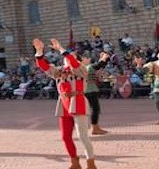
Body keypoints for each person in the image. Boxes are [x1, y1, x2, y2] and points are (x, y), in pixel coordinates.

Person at [35, 37, 96, 169]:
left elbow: (74, 63)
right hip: (64, 103)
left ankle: (91, 163)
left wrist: (62, 49)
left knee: (83, 136)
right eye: (66, 56)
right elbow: (43, 66)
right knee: (65, 137)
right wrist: (39, 51)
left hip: (78, 102)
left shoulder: (81, 70)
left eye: (71, 56)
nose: (68, 58)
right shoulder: (58, 71)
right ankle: (75, 162)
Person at [82, 51, 109, 135]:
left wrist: (103, 59)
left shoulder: (83, 68)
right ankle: (94, 128)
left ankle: (96, 126)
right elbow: (99, 65)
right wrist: (104, 57)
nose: (89, 60)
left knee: (94, 109)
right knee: (95, 109)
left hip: (88, 90)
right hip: (91, 90)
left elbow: (100, 65)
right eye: (87, 58)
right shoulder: (88, 67)